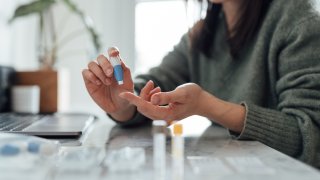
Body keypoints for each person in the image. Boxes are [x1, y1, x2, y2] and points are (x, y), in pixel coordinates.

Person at [82, 0, 320, 168]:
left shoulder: (298, 20)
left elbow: (309, 135)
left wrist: (207, 105)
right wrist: (123, 104)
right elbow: (156, 82)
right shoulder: (204, 33)